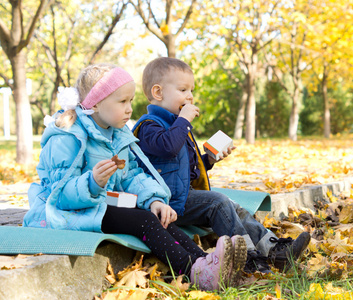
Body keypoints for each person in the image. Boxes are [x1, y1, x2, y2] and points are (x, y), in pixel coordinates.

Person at [23, 63, 247, 291]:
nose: (130, 109)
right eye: (122, 102)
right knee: (145, 221)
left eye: (130, 101)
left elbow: (132, 176)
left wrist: (154, 200)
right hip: (74, 210)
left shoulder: (118, 133)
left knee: (156, 214)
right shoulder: (68, 135)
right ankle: (195, 272)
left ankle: (207, 262)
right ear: (97, 102)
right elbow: (58, 194)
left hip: (107, 201)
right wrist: (92, 183)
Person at [132, 57, 311, 273]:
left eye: (191, 90)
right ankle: (246, 259)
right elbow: (167, 147)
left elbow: (186, 170)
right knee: (217, 203)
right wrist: (184, 122)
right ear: (158, 93)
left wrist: (208, 160)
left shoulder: (176, 125)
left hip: (181, 195)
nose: (190, 96)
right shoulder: (148, 126)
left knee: (235, 207)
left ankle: (275, 251)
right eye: (182, 90)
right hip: (165, 202)